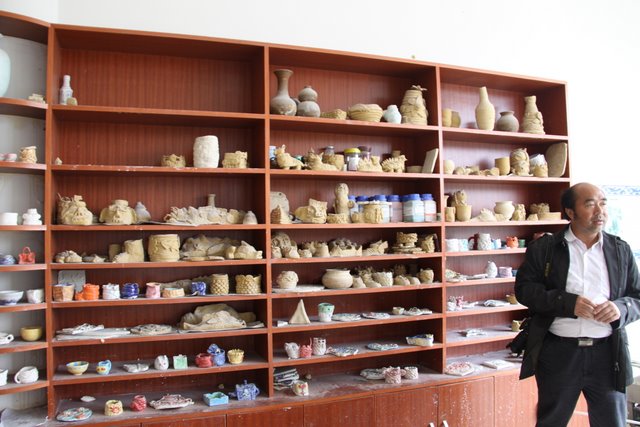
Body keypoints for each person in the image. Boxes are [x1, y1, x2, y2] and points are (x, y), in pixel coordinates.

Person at [515, 182, 640, 427]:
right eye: (590, 204)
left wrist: (620, 308)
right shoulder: (546, 248)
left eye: (603, 203)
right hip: (559, 353)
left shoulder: (620, 250)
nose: (600, 211)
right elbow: (525, 291)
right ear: (570, 212)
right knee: (551, 422)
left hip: (607, 354)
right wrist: (568, 303)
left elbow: (637, 298)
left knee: (612, 422)